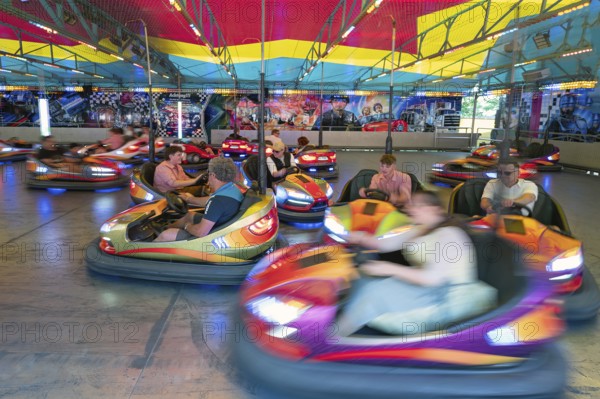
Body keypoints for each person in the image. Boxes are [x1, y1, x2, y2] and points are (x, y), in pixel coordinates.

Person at [336, 191, 493, 336]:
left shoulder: (450, 234)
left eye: (417, 205)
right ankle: (336, 322)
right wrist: (355, 236)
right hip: (427, 288)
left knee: (375, 292)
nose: (410, 208)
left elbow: (433, 278)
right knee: (360, 277)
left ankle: (332, 340)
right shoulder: (419, 229)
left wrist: (389, 269)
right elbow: (383, 243)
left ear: (434, 209)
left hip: (446, 296)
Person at [154, 157, 243, 241]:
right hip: (219, 226)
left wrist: (187, 226)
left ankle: (150, 246)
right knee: (189, 216)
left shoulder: (217, 201)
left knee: (166, 235)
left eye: (208, 172)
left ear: (213, 175)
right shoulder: (231, 189)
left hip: (209, 237)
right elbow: (210, 200)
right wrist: (188, 199)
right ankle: (163, 228)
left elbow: (201, 232)